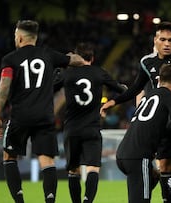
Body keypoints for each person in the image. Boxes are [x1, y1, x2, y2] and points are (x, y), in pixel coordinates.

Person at [100, 21, 171, 203]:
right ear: (155, 40)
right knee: (165, 165)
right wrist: (114, 101)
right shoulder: (147, 62)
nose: (167, 44)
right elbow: (135, 88)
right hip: (162, 122)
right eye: (162, 39)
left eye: (170, 40)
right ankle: (166, 199)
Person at [0, 20, 84, 203]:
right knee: (47, 161)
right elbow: (78, 61)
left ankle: (19, 201)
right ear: (34, 38)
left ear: (19, 37)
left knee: (9, 156)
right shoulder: (48, 55)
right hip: (45, 117)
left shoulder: (10, 59)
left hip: (20, 116)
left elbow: (4, 87)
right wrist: (68, 58)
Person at [116, 64, 171, 203]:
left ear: (159, 79)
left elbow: (164, 124)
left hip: (123, 154)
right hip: (139, 158)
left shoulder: (148, 96)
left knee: (153, 177)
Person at [55, 42, 127, 203]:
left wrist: (64, 65)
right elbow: (121, 89)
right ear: (92, 58)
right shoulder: (99, 73)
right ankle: (88, 200)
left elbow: (50, 86)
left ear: (75, 57)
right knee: (93, 168)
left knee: (74, 171)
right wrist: (113, 100)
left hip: (72, 129)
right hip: (92, 129)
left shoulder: (67, 74)